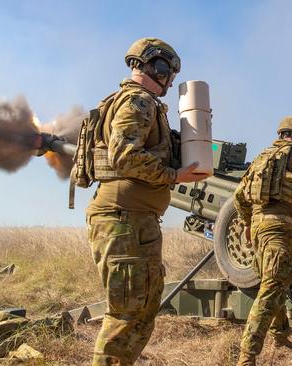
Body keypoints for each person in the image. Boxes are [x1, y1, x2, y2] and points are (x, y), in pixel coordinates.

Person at [84, 37, 205, 365]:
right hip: (124, 219)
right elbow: (124, 158)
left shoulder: (138, 102)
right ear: (158, 67)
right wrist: (174, 176)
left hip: (135, 219)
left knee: (142, 310)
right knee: (126, 314)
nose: (170, 80)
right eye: (169, 72)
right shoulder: (139, 102)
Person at [234, 116, 292, 365]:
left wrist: (248, 223)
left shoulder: (262, 157)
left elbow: (239, 195)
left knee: (276, 281)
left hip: (261, 227)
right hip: (279, 227)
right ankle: (247, 355)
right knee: (271, 288)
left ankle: (281, 335)